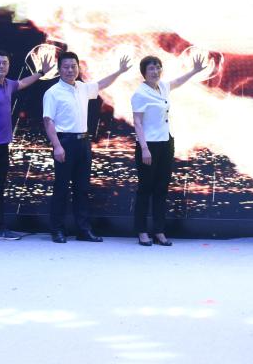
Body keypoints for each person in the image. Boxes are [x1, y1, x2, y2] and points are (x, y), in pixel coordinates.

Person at [43, 51, 131, 243]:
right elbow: (48, 121)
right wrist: (57, 146)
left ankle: (83, 230)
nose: (70, 70)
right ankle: (57, 230)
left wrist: (119, 71)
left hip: (83, 142)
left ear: (78, 68)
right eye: (66, 67)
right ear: (59, 69)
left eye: (73, 66)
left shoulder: (82, 88)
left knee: (82, 189)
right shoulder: (52, 93)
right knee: (61, 188)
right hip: (64, 142)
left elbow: (101, 84)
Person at [0, 49, 52, 243]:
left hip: (2, 145)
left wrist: (41, 73)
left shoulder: (8, 84)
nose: (1, 66)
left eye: (5, 63)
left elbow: (22, 83)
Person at [130, 53, 206, 247]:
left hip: (166, 142)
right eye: (151, 69)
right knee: (145, 189)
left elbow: (177, 82)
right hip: (148, 145)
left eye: (158, 68)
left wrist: (194, 70)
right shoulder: (140, 94)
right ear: (144, 73)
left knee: (161, 189)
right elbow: (137, 122)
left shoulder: (162, 87)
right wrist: (144, 148)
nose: (155, 72)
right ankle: (142, 231)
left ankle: (159, 231)